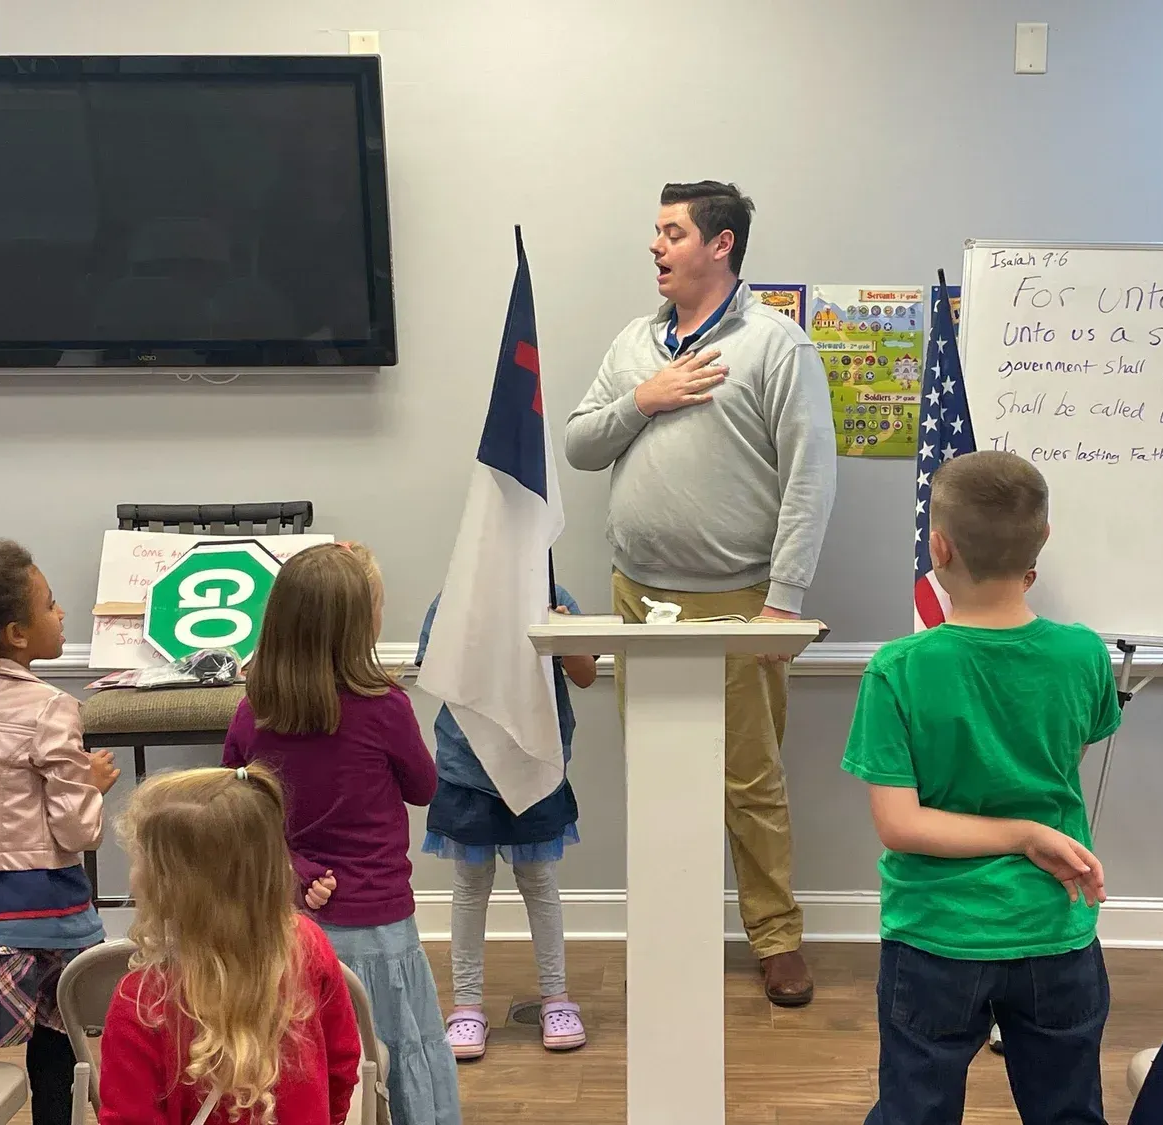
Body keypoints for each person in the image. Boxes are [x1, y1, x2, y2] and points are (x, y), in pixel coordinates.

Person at [564, 180, 836, 1005]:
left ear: (720, 245)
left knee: (750, 783)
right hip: (636, 599)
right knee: (655, 775)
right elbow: (578, 445)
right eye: (655, 231)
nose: (656, 246)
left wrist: (783, 602)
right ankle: (666, 926)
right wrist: (642, 402)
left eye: (672, 232)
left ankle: (776, 937)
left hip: (740, 606)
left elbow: (811, 480)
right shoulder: (631, 346)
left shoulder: (776, 346)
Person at [841, 450, 1122, 1125]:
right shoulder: (1084, 655)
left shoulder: (898, 668)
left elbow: (900, 824)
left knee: (915, 1110)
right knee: (1068, 1110)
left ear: (938, 547)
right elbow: (1064, 755)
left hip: (936, 936)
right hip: (1054, 928)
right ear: (1042, 542)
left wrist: (1014, 833)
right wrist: (1024, 832)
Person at [223, 543, 462, 1125]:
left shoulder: (254, 711)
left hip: (283, 917)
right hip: (376, 920)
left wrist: (299, 868)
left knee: (305, 1052)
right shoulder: (385, 707)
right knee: (394, 1047)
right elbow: (425, 787)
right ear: (361, 625)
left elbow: (239, 801)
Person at [0, 540, 120, 1125]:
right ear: (18, 634)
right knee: (57, 1048)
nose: (63, 612)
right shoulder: (50, 708)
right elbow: (77, 830)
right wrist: (93, 784)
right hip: (42, 913)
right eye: (51, 604)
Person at [98, 765, 362, 1125]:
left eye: (139, 859)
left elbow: (128, 1117)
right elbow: (343, 1064)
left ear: (169, 887)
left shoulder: (143, 1000)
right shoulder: (308, 945)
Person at [417, 584, 598, 1060]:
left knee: (539, 880)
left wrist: (561, 634)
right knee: (470, 886)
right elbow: (431, 671)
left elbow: (585, 675)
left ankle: (556, 998)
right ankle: (467, 1005)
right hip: (468, 769)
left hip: (535, 766)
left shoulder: (556, 595)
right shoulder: (454, 598)